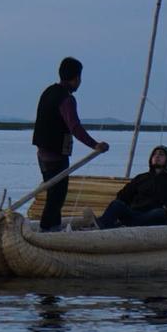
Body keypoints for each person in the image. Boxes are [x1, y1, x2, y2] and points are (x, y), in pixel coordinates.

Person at [32, 57, 110, 231]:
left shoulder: (49, 91)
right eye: (80, 78)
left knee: (54, 196)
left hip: (42, 153)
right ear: (76, 78)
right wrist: (95, 145)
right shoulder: (66, 99)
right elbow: (75, 127)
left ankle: (53, 228)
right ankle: (48, 231)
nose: (80, 82)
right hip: (55, 156)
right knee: (56, 197)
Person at [92, 145, 167, 229]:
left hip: (155, 216)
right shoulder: (141, 178)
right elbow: (122, 196)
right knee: (116, 204)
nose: (157, 157)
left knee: (158, 213)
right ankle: (102, 224)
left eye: (161, 155)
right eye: (154, 154)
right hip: (134, 214)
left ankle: (109, 224)